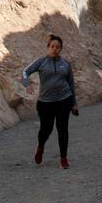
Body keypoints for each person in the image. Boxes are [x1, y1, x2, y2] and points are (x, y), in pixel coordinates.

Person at [20, 34, 79, 169]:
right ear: (48, 47)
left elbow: (71, 83)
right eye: (52, 46)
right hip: (45, 102)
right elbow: (25, 72)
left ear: (61, 49)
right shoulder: (41, 62)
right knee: (46, 129)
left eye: (58, 47)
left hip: (64, 100)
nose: (55, 49)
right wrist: (26, 84)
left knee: (63, 129)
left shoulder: (66, 64)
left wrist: (74, 103)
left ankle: (63, 159)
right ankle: (40, 147)